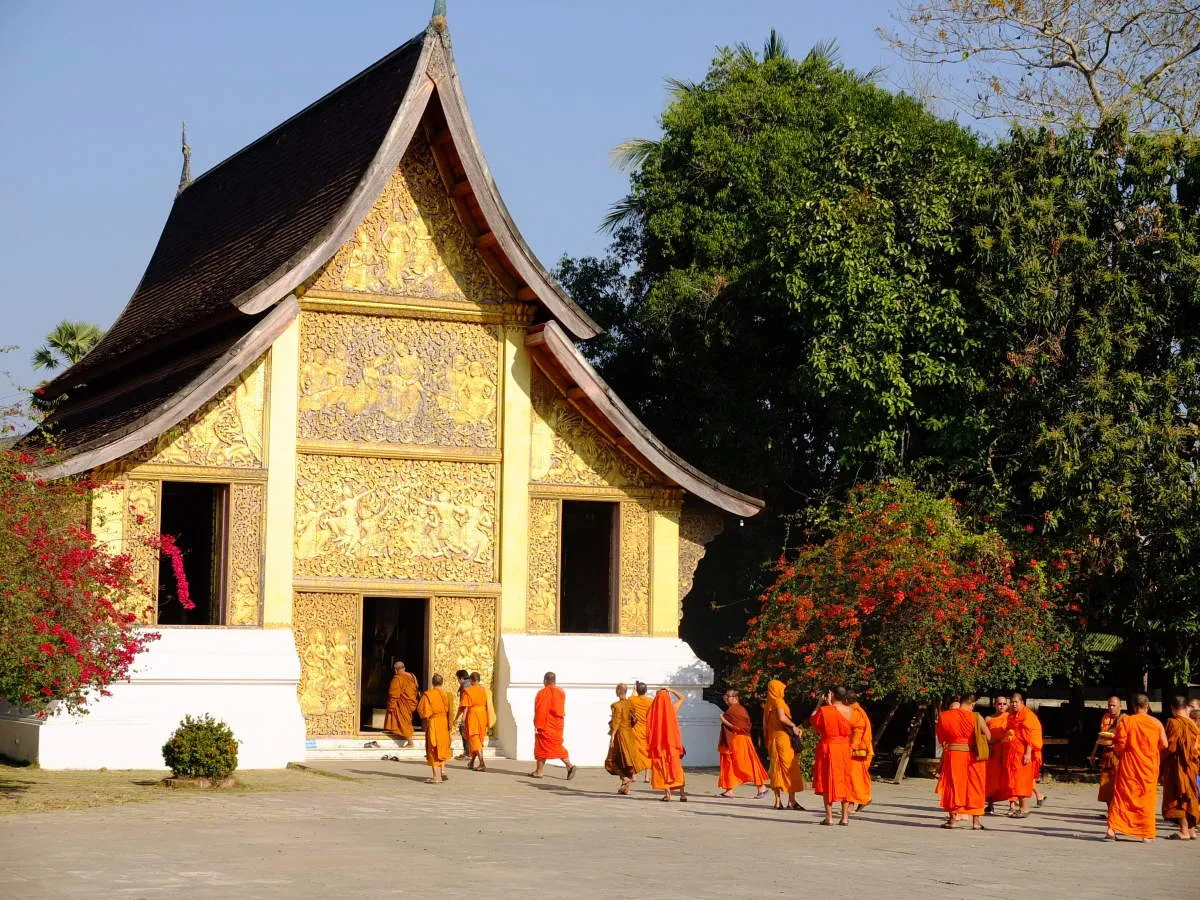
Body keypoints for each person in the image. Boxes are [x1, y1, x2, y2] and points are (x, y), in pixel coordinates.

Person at [1106, 693, 1168, 842]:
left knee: (1122, 797)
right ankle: (1145, 833)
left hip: (1129, 766)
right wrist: (1151, 750)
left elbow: (1120, 745)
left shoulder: (1128, 721)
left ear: (1133, 706)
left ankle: (1111, 829)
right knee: (1146, 799)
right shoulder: (1156, 723)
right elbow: (1165, 745)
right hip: (1148, 767)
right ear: (1147, 706)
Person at [935, 693, 989, 830]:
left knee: (953, 785)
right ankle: (976, 822)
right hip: (973, 757)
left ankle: (952, 820)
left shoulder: (945, 716)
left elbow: (942, 739)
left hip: (953, 755)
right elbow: (988, 736)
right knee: (975, 785)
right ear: (972, 704)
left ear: (960, 702)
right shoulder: (976, 717)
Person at [811, 686, 854, 826]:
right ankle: (844, 818)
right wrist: (829, 705)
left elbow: (813, 721)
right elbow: (840, 721)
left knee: (827, 780)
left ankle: (829, 817)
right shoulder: (850, 710)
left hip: (828, 747)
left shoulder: (826, 710)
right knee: (844, 779)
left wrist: (819, 704)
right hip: (843, 748)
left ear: (832, 695)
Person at [716, 689, 768, 799]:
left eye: (728, 696)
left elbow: (741, 728)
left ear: (735, 698)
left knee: (747, 764)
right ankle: (729, 790)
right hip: (733, 741)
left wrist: (724, 720)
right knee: (730, 764)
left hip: (741, 741)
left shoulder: (738, 710)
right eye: (726, 696)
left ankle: (762, 787)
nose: (726, 698)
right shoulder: (732, 709)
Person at [763, 679, 805, 811]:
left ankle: (777, 801)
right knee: (789, 768)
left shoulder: (768, 704)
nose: (783, 691)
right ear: (777, 689)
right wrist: (794, 726)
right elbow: (782, 717)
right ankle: (791, 801)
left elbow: (765, 725)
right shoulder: (778, 701)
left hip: (772, 738)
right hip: (783, 739)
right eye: (781, 689)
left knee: (776, 769)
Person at [1162, 695, 1200, 840]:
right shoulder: (1193, 724)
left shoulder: (1173, 722)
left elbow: (1170, 747)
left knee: (1180, 796)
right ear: (1186, 708)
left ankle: (1184, 830)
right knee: (1189, 795)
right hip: (1191, 766)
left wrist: (1159, 759)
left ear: (1172, 708)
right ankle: (1191, 830)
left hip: (1177, 765)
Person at [1004, 692, 1044, 818]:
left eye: (1016, 702)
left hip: (1024, 753)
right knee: (1015, 780)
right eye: (1012, 702)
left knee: (1022, 780)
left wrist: (1027, 753)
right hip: (1014, 752)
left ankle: (1024, 808)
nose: (1014, 704)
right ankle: (1021, 807)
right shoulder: (1012, 715)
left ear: (1022, 703)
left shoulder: (1027, 715)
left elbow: (1030, 736)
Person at [531, 672, 576, 780]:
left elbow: (540, 710)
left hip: (545, 724)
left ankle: (568, 766)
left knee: (543, 747)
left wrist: (538, 724)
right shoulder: (561, 692)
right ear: (554, 681)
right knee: (553, 745)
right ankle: (540, 770)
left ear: (545, 680)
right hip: (557, 725)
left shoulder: (542, 693)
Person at [647, 686, 687, 801]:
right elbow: (682, 698)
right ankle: (682, 794)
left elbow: (649, 729)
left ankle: (668, 794)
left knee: (662, 769)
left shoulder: (652, 712)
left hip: (659, 746)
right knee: (676, 768)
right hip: (672, 745)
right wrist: (671, 690)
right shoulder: (673, 708)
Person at [605, 683, 644, 795]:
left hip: (620, 735)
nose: (615, 692)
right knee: (626, 761)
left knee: (611, 761)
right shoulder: (630, 703)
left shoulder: (615, 705)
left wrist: (612, 736)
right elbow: (635, 719)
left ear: (618, 691)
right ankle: (625, 788)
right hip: (629, 734)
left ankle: (625, 778)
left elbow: (616, 721)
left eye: (616, 690)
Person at [1088, 696, 1124, 810]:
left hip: (1119, 755)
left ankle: (1118, 810)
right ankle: (1110, 810)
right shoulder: (1105, 717)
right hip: (1106, 754)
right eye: (1109, 705)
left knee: (1118, 784)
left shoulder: (1125, 719)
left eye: (1114, 705)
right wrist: (1093, 754)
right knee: (1106, 784)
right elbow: (1100, 736)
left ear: (1120, 706)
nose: (1111, 707)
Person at [417, 673, 453, 783]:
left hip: (434, 722)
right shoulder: (447, 695)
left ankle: (436, 777)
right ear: (442, 682)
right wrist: (450, 727)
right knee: (442, 747)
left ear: (432, 683)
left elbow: (423, 712)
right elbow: (450, 712)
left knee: (433, 748)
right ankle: (442, 773)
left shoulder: (428, 695)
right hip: (444, 723)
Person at [455, 671, 490, 772]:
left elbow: (465, 707)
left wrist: (461, 718)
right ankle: (471, 762)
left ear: (471, 680)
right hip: (483, 716)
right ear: (479, 680)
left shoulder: (468, 691)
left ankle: (482, 763)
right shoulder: (484, 691)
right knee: (478, 740)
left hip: (473, 715)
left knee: (474, 739)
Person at [984, 694, 1011, 816]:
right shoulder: (988, 719)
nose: (1002, 706)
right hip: (992, 752)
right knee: (991, 779)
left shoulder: (1011, 718)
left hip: (1007, 750)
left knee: (1008, 777)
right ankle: (990, 805)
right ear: (995, 705)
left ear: (1008, 705)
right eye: (999, 704)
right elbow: (983, 736)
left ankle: (1012, 805)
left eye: (1004, 704)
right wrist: (991, 742)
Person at [847, 690, 873, 812]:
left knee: (855, 777)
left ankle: (863, 799)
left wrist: (853, 747)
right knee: (851, 777)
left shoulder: (856, 711)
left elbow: (858, 731)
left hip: (857, 751)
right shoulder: (852, 710)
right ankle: (852, 803)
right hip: (854, 749)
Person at [383, 660, 418, 747]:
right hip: (409, 702)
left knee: (403, 721)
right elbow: (416, 688)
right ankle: (399, 732)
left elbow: (393, 694)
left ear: (395, 670)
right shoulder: (412, 676)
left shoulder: (397, 678)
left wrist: (391, 705)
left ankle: (410, 742)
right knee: (406, 720)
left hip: (402, 703)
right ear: (404, 668)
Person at [629, 681, 653, 783]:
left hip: (635, 729)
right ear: (646, 691)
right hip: (646, 730)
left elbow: (629, 703)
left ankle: (633, 776)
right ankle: (647, 777)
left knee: (634, 752)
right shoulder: (650, 701)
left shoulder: (632, 699)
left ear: (637, 690)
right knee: (647, 752)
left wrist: (633, 691)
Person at [454, 669, 470, 760]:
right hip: (476, 714)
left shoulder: (465, 687)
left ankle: (467, 753)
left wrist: (458, 718)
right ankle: (468, 752)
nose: (458, 681)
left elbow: (464, 705)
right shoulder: (472, 684)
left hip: (468, 713)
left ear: (461, 678)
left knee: (463, 730)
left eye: (458, 679)